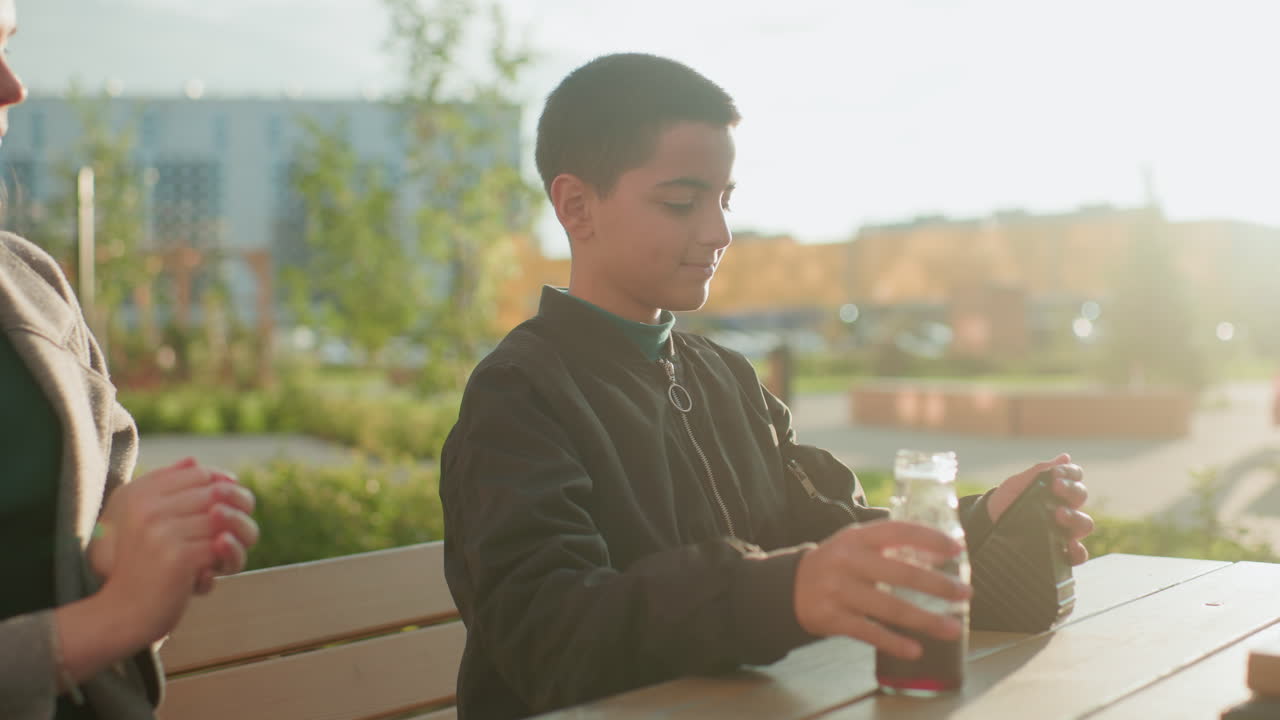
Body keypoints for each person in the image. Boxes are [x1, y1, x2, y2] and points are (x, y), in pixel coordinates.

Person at [440, 53, 1094, 719]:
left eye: (725, 200)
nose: (718, 232)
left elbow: (826, 533)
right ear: (577, 205)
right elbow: (550, 635)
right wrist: (778, 593)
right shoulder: (520, 397)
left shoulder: (724, 378)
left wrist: (979, 524)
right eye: (680, 201)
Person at [0, 2, 260, 718]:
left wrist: (127, 548)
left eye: (7, 46)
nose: (13, 87)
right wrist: (101, 626)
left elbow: (87, 523)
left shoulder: (32, 282)